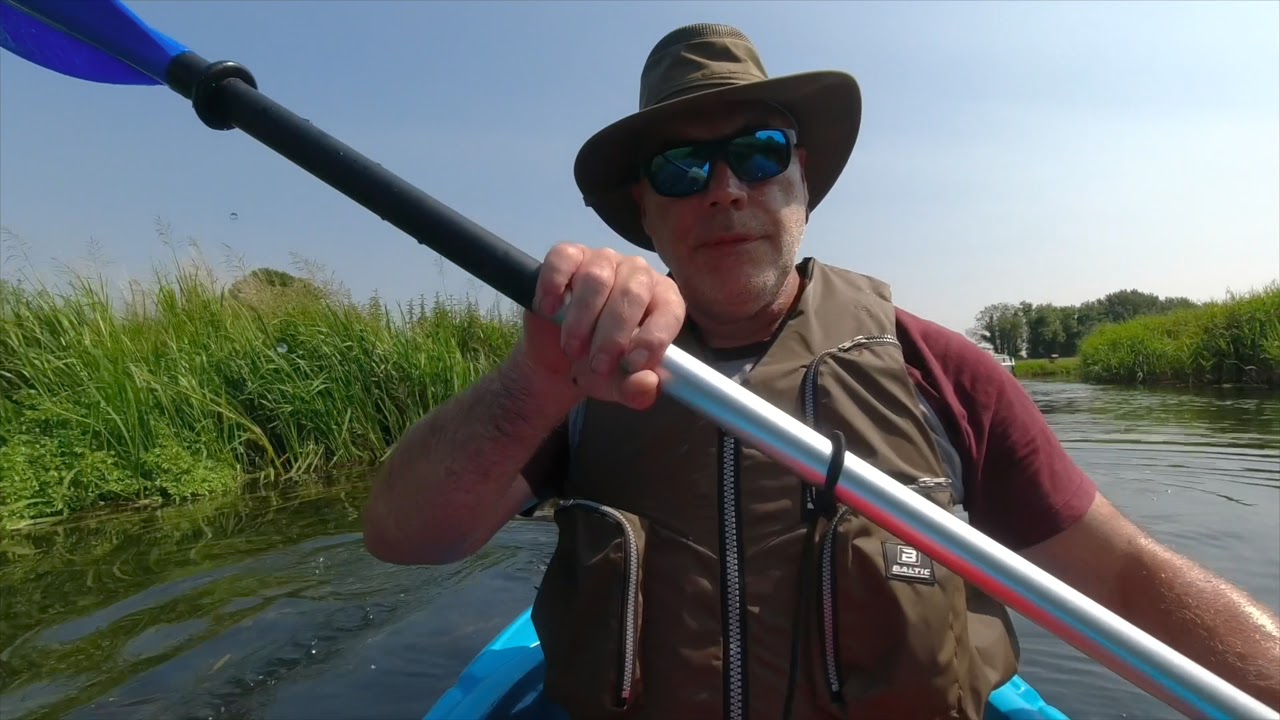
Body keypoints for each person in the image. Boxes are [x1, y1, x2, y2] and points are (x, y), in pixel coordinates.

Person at [363, 23, 1280, 719]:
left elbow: (1121, 580)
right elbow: (405, 536)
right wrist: (537, 377)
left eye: (758, 152)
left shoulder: (941, 371)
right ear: (643, 207)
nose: (724, 188)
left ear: (802, 179)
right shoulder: (578, 374)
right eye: (681, 166)